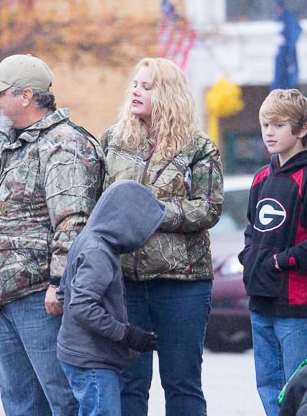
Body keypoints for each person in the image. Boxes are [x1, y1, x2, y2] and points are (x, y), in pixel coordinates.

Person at [0, 54, 105, 416]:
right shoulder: (0, 146)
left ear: (26, 96)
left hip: (41, 298)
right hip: (2, 294)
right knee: (19, 403)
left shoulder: (64, 145)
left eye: (1, 93)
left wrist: (58, 283)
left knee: (61, 397)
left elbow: (73, 221)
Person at [99, 57, 223, 416]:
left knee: (182, 383)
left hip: (181, 282)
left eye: (146, 86)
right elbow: (99, 206)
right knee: (129, 383)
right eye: (135, 84)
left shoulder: (199, 147)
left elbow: (209, 209)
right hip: (125, 281)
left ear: (168, 94)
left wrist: (151, 212)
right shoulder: (113, 140)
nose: (136, 91)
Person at [238, 88, 307, 416]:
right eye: (265, 124)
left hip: (297, 306)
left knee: (300, 388)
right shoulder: (260, 178)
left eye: (278, 125)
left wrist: (282, 261)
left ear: (302, 129)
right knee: (268, 385)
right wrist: (249, 258)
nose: (269, 132)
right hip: (261, 302)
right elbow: (252, 229)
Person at [57, 180, 166, 416]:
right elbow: (81, 306)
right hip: (93, 362)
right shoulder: (99, 252)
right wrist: (125, 334)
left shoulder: (88, 238)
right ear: (127, 222)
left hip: (80, 355)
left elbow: (64, 292)